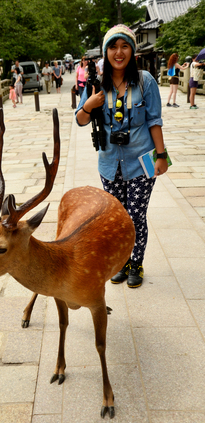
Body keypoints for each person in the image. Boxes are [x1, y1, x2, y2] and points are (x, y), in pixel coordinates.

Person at [75, 24, 169, 288]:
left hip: (142, 160)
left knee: (136, 215)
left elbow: (154, 120)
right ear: (106, 52)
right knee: (117, 219)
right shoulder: (95, 84)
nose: (119, 52)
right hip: (109, 163)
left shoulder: (144, 80)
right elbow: (80, 120)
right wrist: (88, 105)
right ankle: (122, 262)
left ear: (132, 50)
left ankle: (136, 263)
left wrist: (161, 156)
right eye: (113, 47)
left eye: (124, 46)